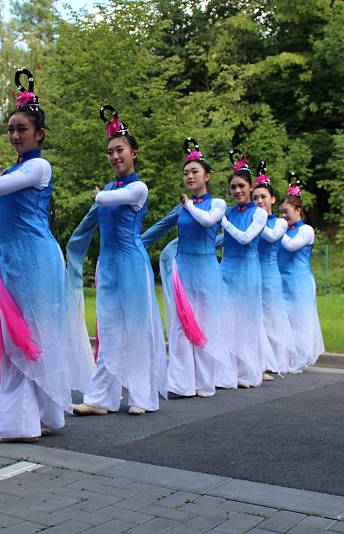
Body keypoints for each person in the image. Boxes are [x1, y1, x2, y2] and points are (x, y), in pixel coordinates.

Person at [0, 69, 76, 443]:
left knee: (33, 334)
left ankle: (20, 421)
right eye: (11, 129)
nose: (15, 135)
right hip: (13, 259)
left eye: (22, 129)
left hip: (36, 260)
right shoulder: (20, 168)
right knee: (15, 334)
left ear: (40, 134)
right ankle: (40, 414)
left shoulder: (38, 166)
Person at [69, 105, 167, 416]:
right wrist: (72, 249)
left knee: (137, 327)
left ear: (134, 153)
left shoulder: (138, 188)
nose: (114, 157)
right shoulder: (109, 188)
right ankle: (101, 398)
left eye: (120, 150)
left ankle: (143, 396)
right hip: (107, 263)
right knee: (108, 329)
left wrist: (99, 196)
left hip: (131, 263)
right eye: (110, 151)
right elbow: (90, 219)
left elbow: (106, 200)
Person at [140, 139, 236, 395]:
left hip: (206, 269)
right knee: (182, 323)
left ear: (207, 175)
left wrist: (189, 205)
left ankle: (204, 382)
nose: (189, 176)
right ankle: (181, 384)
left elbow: (207, 221)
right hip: (182, 268)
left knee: (204, 322)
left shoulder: (217, 204)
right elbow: (159, 228)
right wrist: (134, 246)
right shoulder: (181, 207)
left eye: (194, 171)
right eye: (186, 173)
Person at [219, 151, 275, 388]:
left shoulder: (260, 213)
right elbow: (222, 239)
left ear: (250, 186)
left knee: (247, 321)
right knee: (228, 320)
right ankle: (229, 370)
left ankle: (249, 371)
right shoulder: (228, 211)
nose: (237, 191)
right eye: (233, 187)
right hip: (227, 268)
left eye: (241, 186)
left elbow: (244, 238)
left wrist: (222, 221)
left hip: (248, 271)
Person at [252, 166, 301, 374]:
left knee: (271, 318)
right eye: (255, 198)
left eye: (263, 197)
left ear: (272, 199)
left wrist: (257, 221)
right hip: (252, 272)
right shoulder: (252, 220)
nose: (259, 201)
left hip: (271, 274)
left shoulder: (279, 222)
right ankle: (258, 360)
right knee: (255, 318)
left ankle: (274, 362)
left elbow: (271, 237)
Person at [278, 180, 325, 370]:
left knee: (300, 319)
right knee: (285, 319)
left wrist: (277, 230)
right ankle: (285, 358)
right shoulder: (284, 230)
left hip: (299, 280)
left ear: (298, 210)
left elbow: (291, 245)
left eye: (286, 212)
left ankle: (300, 359)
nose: (282, 216)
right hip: (282, 279)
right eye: (280, 212)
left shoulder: (306, 230)